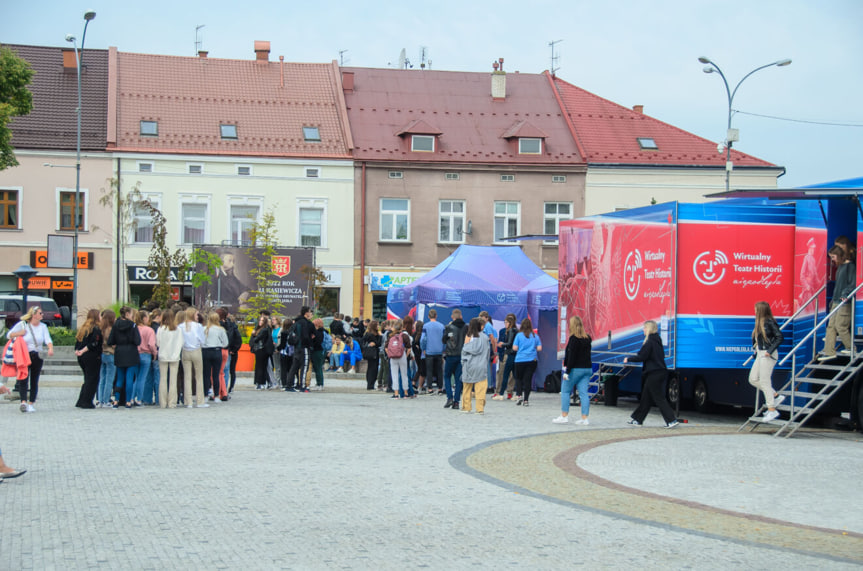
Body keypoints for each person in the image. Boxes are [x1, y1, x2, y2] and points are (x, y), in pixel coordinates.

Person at [624, 320, 679, 428]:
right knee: (646, 397)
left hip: (654, 373)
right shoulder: (657, 340)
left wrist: (628, 359)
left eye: (644, 328)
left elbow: (642, 356)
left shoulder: (650, 342)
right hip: (659, 372)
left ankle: (671, 420)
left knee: (659, 398)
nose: (643, 330)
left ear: (648, 329)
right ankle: (638, 419)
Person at [7, 306, 54, 413]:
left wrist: (50, 348)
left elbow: (47, 339)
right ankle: (23, 402)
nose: (42, 315)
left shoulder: (43, 327)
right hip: (24, 355)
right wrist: (19, 333)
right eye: (40, 313)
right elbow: (8, 335)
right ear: (34, 315)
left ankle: (31, 403)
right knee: (23, 378)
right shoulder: (23, 325)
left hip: (37, 355)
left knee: (34, 379)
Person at [749, 302, 785, 421]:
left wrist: (769, 350)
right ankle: (775, 395)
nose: (754, 311)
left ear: (760, 310)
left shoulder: (769, 321)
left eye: (755, 309)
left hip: (767, 354)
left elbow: (779, 336)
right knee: (753, 379)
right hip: (760, 353)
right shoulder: (759, 323)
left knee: (765, 381)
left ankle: (772, 410)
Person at [819, 245, 856, 361]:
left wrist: (845, 294)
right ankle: (829, 351)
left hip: (844, 302)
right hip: (836, 300)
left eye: (834, 257)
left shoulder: (850, 267)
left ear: (840, 256)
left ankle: (851, 347)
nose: (832, 259)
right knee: (830, 326)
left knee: (840, 325)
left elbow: (852, 284)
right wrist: (833, 299)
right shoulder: (840, 267)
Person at [555, 315, 592, 425]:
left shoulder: (573, 339)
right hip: (587, 369)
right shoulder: (587, 338)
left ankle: (564, 416)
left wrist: (567, 371)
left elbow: (571, 357)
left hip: (575, 369)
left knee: (565, 391)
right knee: (583, 393)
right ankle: (585, 418)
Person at [107, 306, 141, 409]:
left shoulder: (116, 325)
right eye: (131, 314)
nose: (132, 316)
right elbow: (138, 341)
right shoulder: (133, 326)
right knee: (129, 378)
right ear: (127, 314)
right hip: (131, 353)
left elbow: (110, 341)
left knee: (119, 378)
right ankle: (128, 401)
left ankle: (116, 400)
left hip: (120, 353)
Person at [74, 308, 103, 409]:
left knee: (87, 378)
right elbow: (94, 343)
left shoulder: (83, 328)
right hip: (92, 356)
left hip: (82, 357)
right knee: (93, 379)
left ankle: (81, 400)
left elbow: (78, 341)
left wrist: (78, 350)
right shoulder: (96, 329)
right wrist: (84, 350)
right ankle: (87, 401)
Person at [461, 317, 490, 413]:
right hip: (481, 365)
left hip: (469, 365)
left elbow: (464, 351)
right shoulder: (485, 338)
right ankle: (480, 408)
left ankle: (466, 407)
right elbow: (487, 353)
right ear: (481, 326)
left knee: (467, 387)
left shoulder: (469, 336)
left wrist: (463, 363)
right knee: (481, 388)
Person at [156, 309, 184, 408]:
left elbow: (158, 343)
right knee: (173, 380)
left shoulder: (161, 329)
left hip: (163, 355)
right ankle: (172, 402)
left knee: (163, 379)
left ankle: (163, 402)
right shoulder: (178, 329)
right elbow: (181, 343)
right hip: (175, 356)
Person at [180, 307, 207, 408]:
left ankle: (188, 401)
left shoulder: (181, 326)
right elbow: (202, 340)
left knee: (187, 377)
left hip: (185, 351)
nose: (197, 316)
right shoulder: (198, 326)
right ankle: (200, 401)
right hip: (196, 350)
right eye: (196, 314)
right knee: (199, 376)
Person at [512, 317, 541, 406]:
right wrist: (533, 347)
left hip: (520, 360)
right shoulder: (535, 336)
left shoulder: (519, 335)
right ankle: (526, 400)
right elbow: (539, 348)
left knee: (519, 379)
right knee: (527, 380)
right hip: (532, 360)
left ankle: (519, 395)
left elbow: (515, 348)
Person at [285, 306, 315, 392]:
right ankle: (302, 386)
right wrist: (310, 343)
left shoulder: (296, 322)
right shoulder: (305, 323)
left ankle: (289, 385)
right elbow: (306, 336)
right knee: (304, 367)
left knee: (294, 367)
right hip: (304, 347)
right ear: (306, 313)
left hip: (296, 348)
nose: (310, 313)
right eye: (310, 312)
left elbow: (289, 332)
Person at [442, 309, 467, 409]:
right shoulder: (466, 327)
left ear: (453, 317)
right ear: (461, 316)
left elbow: (443, 340)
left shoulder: (449, 327)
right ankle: (456, 402)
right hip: (462, 355)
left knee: (447, 376)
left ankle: (449, 397)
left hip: (451, 354)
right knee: (458, 379)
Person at [202, 312, 229, 402]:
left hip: (206, 351)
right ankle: (217, 395)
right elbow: (225, 343)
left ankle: (205, 394)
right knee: (216, 374)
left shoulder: (204, 329)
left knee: (206, 374)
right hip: (217, 351)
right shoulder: (220, 330)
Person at [134, 310, 157, 406]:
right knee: (142, 378)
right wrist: (154, 353)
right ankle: (139, 399)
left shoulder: (134, 328)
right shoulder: (149, 330)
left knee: (135, 377)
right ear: (144, 318)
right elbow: (151, 344)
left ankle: (131, 398)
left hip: (135, 354)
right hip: (146, 354)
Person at [492, 314, 517, 400]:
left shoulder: (513, 331)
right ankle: (498, 391)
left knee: (511, 375)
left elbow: (509, 343)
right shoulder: (502, 331)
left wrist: (502, 345)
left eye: (506, 322)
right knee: (501, 373)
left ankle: (509, 391)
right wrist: (498, 354)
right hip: (504, 354)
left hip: (509, 353)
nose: (505, 323)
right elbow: (500, 342)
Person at [387, 319, 414, 398]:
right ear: (402, 327)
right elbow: (409, 348)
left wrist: (390, 354)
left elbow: (386, 347)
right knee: (404, 375)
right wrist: (405, 355)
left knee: (394, 375)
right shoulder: (404, 336)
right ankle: (405, 393)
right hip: (402, 356)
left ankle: (396, 393)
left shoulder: (391, 336)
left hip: (392, 358)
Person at [421, 311, 445, 394]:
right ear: (436, 315)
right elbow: (444, 339)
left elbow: (423, 339)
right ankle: (440, 388)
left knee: (429, 370)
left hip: (429, 351)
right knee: (439, 370)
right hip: (439, 351)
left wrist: (423, 348)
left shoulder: (425, 326)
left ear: (428, 316)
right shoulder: (441, 326)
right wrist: (443, 348)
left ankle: (430, 388)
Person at [97, 309, 116, 408]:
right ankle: (106, 400)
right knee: (109, 379)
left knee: (102, 378)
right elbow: (113, 343)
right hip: (110, 354)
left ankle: (100, 400)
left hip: (102, 354)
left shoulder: (101, 329)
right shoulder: (111, 329)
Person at [251, 314, 274, 391]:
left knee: (260, 367)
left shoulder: (264, 330)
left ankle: (260, 383)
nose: (260, 322)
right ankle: (262, 383)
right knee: (261, 367)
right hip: (260, 349)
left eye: (262, 321)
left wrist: (254, 335)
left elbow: (257, 339)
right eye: (260, 320)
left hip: (261, 350)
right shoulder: (262, 329)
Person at [478, 311, 497, 394]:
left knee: (487, 367)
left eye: (482, 318)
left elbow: (492, 339)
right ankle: (488, 385)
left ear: (486, 318)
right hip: (487, 347)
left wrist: (494, 350)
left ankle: (489, 386)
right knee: (486, 367)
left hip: (488, 347)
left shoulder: (488, 326)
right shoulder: (486, 325)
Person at [362, 321, 382, 390]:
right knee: (373, 369)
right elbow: (378, 343)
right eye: (377, 325)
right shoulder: (371, 335)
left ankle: (370, 384)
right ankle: (370, 385)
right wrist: (380, 336)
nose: (378, 327)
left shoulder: (367, 333)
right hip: (373, 353)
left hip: (369, 353)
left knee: (370, 368)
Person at [310, 318, 326, 390]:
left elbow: (317, 342)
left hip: (317, 351)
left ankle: (320, 384)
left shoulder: (318, 333)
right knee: (318, 368)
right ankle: (319, 383)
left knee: (318, 368)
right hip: (319, 351)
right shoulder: (322, 332)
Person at [412, 321, 427, 393]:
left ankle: (415, 382)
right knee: (422, 370)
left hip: (416, 355)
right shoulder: (422, 335)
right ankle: (418, 384)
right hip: (422, 355)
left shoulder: (414, 334)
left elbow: (413, 345)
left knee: (419, 369)